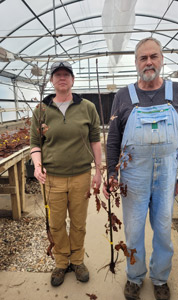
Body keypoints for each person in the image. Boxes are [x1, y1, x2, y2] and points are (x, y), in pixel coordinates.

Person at [103, 37, 178, 300]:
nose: (149, 62)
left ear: (162, 59)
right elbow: (113, 139)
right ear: (136, 63)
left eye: (154, 56)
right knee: (133, 230)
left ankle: (160, 277)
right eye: (143, 58)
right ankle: (134, 276)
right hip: (133, 175)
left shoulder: (177, 92)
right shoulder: (123, 96)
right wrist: (111, 173)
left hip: (166, 174)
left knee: (163, 229)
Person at [30, 61, 102, 287]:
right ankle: (61, 262)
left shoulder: (87, 107)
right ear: (52, 80)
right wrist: (37, 165)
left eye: (66, 74)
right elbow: (35, 143)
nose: (62, 78)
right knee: (57, 223)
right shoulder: (41, 110)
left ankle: (78, 260)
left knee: (79, 222)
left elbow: (95, 140)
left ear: (72, 80)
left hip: (81, 176)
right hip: (53, 178)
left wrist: (98, 171)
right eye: (57, 74)